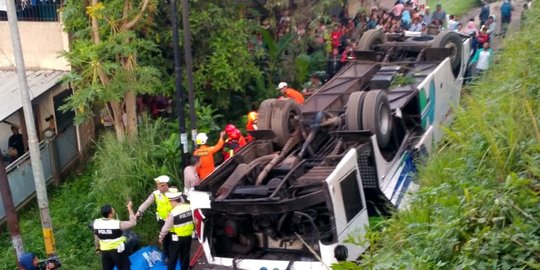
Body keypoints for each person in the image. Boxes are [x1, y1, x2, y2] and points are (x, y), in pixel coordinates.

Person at [135, 175, 174, 257]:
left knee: (174, 238)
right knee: (165, 239)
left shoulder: (174, 192)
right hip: (162, 220)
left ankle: (174, 254)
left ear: (166, 185)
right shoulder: (155, 194)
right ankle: (166, 255)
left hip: (173, 220)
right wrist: (139, 211)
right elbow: (147, 203)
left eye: (161, 185)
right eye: (158, 185)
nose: (159, 187)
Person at [93, 201, 137, 270]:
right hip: (118, 251)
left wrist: (97, 247)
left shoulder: (96, 223)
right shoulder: (116, 224)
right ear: (110, 214)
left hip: (105, 252)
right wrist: (129, 208)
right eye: (113, 209)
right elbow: (133, 223)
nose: (114, 210)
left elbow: (96, 237)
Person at [158, 191, 194, 270]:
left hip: (177, 239)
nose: (170, 204)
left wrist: (161, 237)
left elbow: (166, 228)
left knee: (172, 258)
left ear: (173, 201)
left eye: (170, 202)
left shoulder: (173, 213)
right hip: (188, 236)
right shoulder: (189, 207)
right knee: (185, 257)